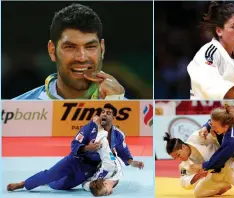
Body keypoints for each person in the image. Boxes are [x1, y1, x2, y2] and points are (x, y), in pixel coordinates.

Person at [7, 103, 144, 192]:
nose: (104, 114)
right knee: (50, 174)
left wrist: (133, 162)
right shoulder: (89, 127)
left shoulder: (118, 135)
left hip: (90, 169)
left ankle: (49, 183)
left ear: (113, 117)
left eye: (108, 113)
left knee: (59, 186)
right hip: (74, 160)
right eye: (102, 112)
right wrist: (87, 148)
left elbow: (123, 152)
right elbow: (74, 144)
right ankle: (23, 184)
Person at [13, 3, 125, 100]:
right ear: (52, 51)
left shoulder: (131, 110)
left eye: (90, 47)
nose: (81, 57)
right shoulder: (14, 113)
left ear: (102, 49)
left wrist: (117, 108)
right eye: (70, 47)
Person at [82, 116, 144, 196]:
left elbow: (103, 143)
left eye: (105, 192)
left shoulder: (109, 167)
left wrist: (99, 126)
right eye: (105, 194)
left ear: (105, 183)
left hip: (96, 156)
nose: (107, 194)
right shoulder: (98, 183)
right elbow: (85, 185)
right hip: (109, 160)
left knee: (102, 145)